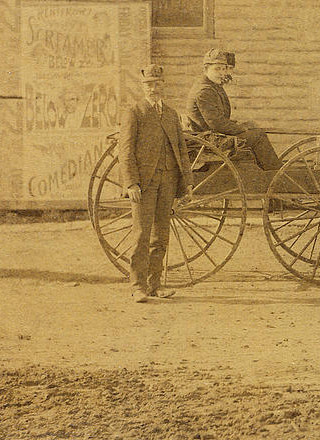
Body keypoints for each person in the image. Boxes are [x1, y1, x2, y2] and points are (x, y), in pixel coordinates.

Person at [119, 64, 193, 303]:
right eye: (148, 85)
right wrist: (131, 183)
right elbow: (126, 151)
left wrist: (187, 184)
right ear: (143, 87)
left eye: (157, 84)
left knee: (161, 235)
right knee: (141, 233)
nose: (153, 88)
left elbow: (182, 151)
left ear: (163, 86)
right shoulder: (135, 112)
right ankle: (137, 286)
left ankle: (155, 285)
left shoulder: (171, 115)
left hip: (168, 181)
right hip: (144, 184)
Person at [185, 48, 283, 171]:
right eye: (217, 69)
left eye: (223, 69)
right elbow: (216, 123)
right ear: (205, 69)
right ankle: (276, 173)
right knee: (258, 136)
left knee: (254, 129)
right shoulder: (205, 91)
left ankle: (271, 169)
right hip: (212, 140)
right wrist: (241, 128)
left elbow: (218, 119)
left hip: (213, 135)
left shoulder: (211, 86)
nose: (222, 73)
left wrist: (242, 126)